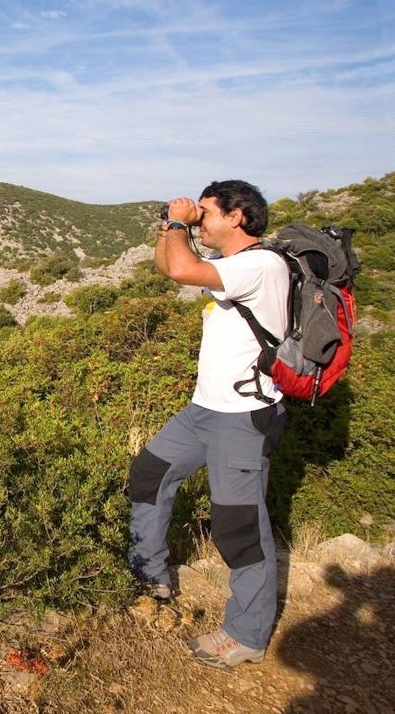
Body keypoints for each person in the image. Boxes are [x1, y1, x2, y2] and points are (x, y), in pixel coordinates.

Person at [127, 180, 291, 669]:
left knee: (238, 524)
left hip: (242, 417)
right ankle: (149, 574)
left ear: (236, 217)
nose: (201, 218)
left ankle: (247, 634)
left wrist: (181, 222)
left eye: (207, 211)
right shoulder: (231, 267)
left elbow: (181, 265)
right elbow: (170, 266)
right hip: (204, 410)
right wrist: (169, 225)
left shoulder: (260, 265)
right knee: (149, 474)